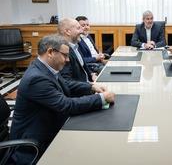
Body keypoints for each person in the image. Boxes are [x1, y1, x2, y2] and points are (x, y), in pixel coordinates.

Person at [9, 34, 115, 164]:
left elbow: (67, 85)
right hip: (35, 143)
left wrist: (91, 87)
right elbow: (66, 105)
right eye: (65, 55)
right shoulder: (36, 78)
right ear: (50, 52)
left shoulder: (45, 68)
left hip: (52, 124)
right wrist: (101, 98)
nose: (68, 60)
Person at [58, 18, 96, 82]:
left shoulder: (75, 46)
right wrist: (91, 87)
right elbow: (67, 81)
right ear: (68, 32)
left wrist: (92, 75)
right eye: (78, 28)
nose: (82, 31)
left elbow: (83, 68)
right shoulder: (62, 51)